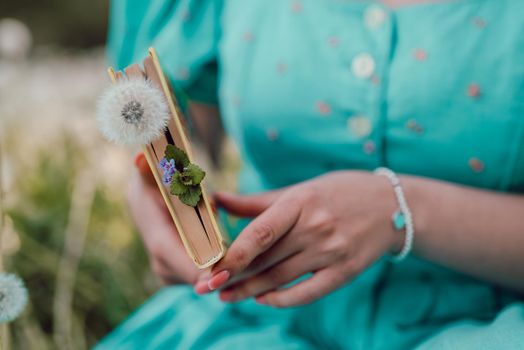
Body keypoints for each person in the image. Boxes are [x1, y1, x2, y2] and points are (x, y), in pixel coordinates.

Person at [95, 0, 524, 348]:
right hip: (253, 321)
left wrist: (398, 210)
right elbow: (187, 121)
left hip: (489, 322)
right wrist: (159, 194)